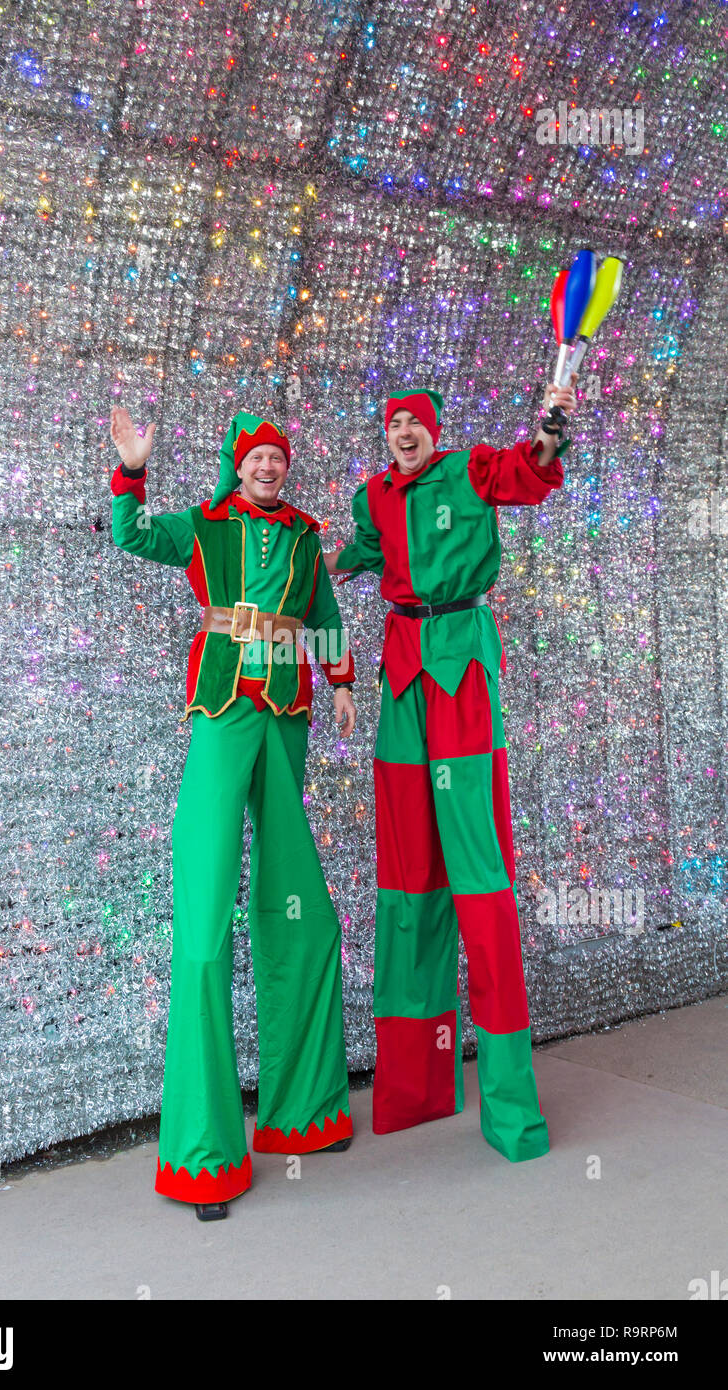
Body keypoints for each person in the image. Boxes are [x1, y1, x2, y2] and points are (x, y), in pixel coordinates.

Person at [110, 406, 357, 1219]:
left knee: (301, 914)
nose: (268, 467)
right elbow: (133, 536)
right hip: (222, 708)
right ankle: (206, 1155)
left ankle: (303, 1114)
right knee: (205, 921)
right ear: (238, 463)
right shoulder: (203, 524)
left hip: (286, 709)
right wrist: (134, 471)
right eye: (256, 457)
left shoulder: (304, 535)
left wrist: (345, 679)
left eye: (278, 458)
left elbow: (320, 615)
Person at [325, 378, 578, 1162]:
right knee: (407, 875)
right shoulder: (373, 496)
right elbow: (355, 557)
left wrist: (550, 433)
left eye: (415, 424)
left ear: (434, 432)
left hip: (460, 664)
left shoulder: (469, 469)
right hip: (400, 669)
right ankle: (416, 1091)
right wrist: (309, 560)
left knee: (479, 872)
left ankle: (509, 1110)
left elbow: (527, 474)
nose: (404, 433)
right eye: (394, 423)